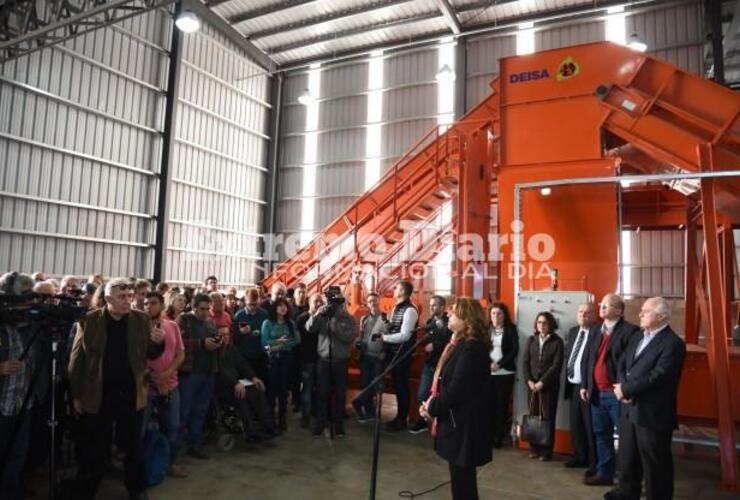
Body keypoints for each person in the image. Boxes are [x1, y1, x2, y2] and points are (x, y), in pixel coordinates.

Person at [68, 278, 165, 500]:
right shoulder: (89, 320)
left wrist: (158, 342)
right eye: (122, 297)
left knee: (132, 446)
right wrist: (76, 395)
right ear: (108, 298)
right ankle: (88, 488)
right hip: (98, 394)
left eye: (130, 296)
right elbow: (76, 360)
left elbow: (150, 354)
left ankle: (136, 489)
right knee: (95, 446)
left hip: (131, 394)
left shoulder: (140, 319)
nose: (128, 301)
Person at [606, 297, 686, 500]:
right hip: (629, 409)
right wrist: (622, 387)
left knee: (655, 463)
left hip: (652, 413)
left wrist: (627, 390)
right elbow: (623, 362)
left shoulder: (673, 344)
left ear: (661, 317)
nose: (640, 314)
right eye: (641, 310)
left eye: (646, 311)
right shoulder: (637, 337)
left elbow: (658, 375)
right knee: (627, 456)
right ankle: (627, 492)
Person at [419, 298, 493, 500]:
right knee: (460, 480)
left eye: (454, 312)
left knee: (464, 484)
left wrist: (432, 407)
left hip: (464, 424)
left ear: (467, 319)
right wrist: (431, 403)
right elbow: (446, 382)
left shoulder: (472, 348)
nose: (449, 314)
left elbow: (457, 389)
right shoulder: (458, 344)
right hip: (456, 420)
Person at [581, 293, 640, 486]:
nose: (602, 307)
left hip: (616, 395)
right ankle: (604, 474)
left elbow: (631, 363)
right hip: (596, 394)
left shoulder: (630, 331)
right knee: (601, 435)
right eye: (601, 304)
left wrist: (625, 387)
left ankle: (628, 480)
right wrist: (585, 385)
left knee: (626, 440)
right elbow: (588, 359)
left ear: (619, 310)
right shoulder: (596, 330)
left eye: (607, 305)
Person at [0, 272, 39, 500]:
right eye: (23, 297)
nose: (29, 302)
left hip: (24, 401)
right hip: (2, 403)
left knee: (18, 455)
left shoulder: (32, 324)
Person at [142, 292, 187, 478]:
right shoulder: (138, 328)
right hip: (146, 388)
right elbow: (136, 358)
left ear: (162, 305)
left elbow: (180, 354)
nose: (148, 306)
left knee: (173, 426)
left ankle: (170, 462)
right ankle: (142, 466)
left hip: (171, 385)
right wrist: (154, 378)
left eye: (153, 303)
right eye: (145, 303)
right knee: (140, 429)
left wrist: (167, 374)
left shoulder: (173, 326)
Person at [177, 293, 222, 460]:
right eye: (202, 309)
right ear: (194, 307)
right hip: (190, 373)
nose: (205, 312)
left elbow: (215, 337)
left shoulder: (209, 322)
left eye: (207, 309)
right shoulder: (184, 320)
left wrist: (218, 342)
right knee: (184, 411)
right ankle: (175, 449)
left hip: (208, 372)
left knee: (200, 411)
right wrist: (202, 344)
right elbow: (179, 342)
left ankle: (195, 445)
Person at [306, 291, 357, 438]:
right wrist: (316, 314)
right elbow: (309, 328)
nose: (334, 306)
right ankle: (321, 423)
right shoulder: (322, 316)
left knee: (341, 395)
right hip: (323, 360)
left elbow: (349, 337)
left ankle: (339, 425)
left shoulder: (348, 318)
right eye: (332, 303)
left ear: (342, 304)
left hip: (340, 362)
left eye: (337, 303)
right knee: (322, 393)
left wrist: (335, 324)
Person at [216, 322, 275, 443]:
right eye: (221, 335)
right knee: (242, 396)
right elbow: (221, 371)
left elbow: (242, 364)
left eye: (227, 334)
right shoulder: (214, 352)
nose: (225, 337)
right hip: (224, 386)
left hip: (238, 382)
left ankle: (267, 427)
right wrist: (235, 383)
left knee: (258, 389)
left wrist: (253, 377)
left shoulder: (231, 348)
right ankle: (250, 432)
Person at [522, 311, 564, 461]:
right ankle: (534, 448)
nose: (542, 325)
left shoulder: (557, 342)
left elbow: (556, 366)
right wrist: (529, 381)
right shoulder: (531, 340)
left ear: (551, 324)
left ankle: (546, 451)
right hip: (531, 386)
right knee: (533, 416)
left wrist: (541, 383)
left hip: (548, 387)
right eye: (539, 322)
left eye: (545, 323)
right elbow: (525, 362)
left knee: (547, 418)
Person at [564, 303, 598, 474]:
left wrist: (587, 385)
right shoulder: (572, 331)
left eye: (587, 312)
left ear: (593, 315)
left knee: (590, 426)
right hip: (573, 385)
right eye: (580, 312)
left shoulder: (597, 332)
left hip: (588, 387)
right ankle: (580, 456)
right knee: (576, 424)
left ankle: (594, 462)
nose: (583, 315)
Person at [409, 295, 451, 434]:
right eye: (431, 305)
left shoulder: (449, 322)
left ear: (442, 307)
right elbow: (427, 340)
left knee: (442, 396)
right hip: (430, 364)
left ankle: (440, 424)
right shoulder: (429, 322)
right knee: (422, 394)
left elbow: (450, 342)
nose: (431, 307)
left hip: (445, 366)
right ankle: (423, 421)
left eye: (435, 305)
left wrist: (436, 345)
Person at [382, 280, 419, 431]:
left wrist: (385, 338)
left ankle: (401, 420)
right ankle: (399, 417)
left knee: (402, 387)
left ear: (403, 291)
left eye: (396, 287)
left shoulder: (410, 310)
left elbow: (405, 336)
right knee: (397, 386)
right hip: (394, 354)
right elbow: (396, 328)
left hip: (402, 355)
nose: (394, 289)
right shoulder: (397, 307)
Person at [260, 297, 299, 432]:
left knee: (283, 389)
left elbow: (296, 341)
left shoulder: (291, 324)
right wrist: (277, 342)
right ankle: (270, 420)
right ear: (274, 308)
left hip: (287, 358)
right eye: (280, 306)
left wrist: (280, 345)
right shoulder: (267, 323)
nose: (283, 308)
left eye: (285, 306)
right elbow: (264, 344)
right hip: (272, 358)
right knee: (271, 389)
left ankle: (282, 419)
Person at [352, 293, 387, 423]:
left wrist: (384, 351)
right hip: (365, 355)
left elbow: (388, 337)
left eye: (374, 300)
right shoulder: (364, 319)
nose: (372, 302)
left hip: (378, 356)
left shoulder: (385, 318)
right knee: (366, 383)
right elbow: (361, 336)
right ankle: (369, 412)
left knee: (375, 384)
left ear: (379, 301)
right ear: (367, 303)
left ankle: (357, 402)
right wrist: (357, 342)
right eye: (369, 300)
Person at [488, 301, 519, 448]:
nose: (495, 316)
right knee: (489, 405)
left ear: (504, 315)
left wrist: (498, 364)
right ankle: (488, 434)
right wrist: (489, 363)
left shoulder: (511, 329)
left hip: (505, 372)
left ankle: (498, 438)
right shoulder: (487, 329)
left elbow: (514, 350)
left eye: (499, 313)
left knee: (501, 406)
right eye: (493, 313)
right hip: (488, 373)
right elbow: (482, 347)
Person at [233, 288, 270, 388]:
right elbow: (233, 337)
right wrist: (240, 332)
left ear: (259, 301)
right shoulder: (239, 316)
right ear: (245, 301)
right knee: (247, 385)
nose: (253, 307)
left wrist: (262, 333)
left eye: (255, 304)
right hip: (244, 357)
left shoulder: (264, 314)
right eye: (250, 304)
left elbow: (270, 333)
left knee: (262, 383)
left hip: (260, 356)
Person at [295, 293, 322, 429]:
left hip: (321, 358)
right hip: (307, 359)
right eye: (316, 301)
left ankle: (316, 413)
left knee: (319, 388)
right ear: (309, 302)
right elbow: (306, 333)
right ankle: (305, 416)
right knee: (307, 389)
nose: (318, 304)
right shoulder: (302, 318)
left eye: (320, 302)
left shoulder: (324, 318)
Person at [290, 283, 308, 413]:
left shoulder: (309, 308)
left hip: (307, 348)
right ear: (295, 294)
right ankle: (296, 401)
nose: (302, 295)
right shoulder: (289, 310)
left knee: (307, 377)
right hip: (293, 349)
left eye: (304, 292)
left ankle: (305, 402)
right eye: (299, 292)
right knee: (295, 377)